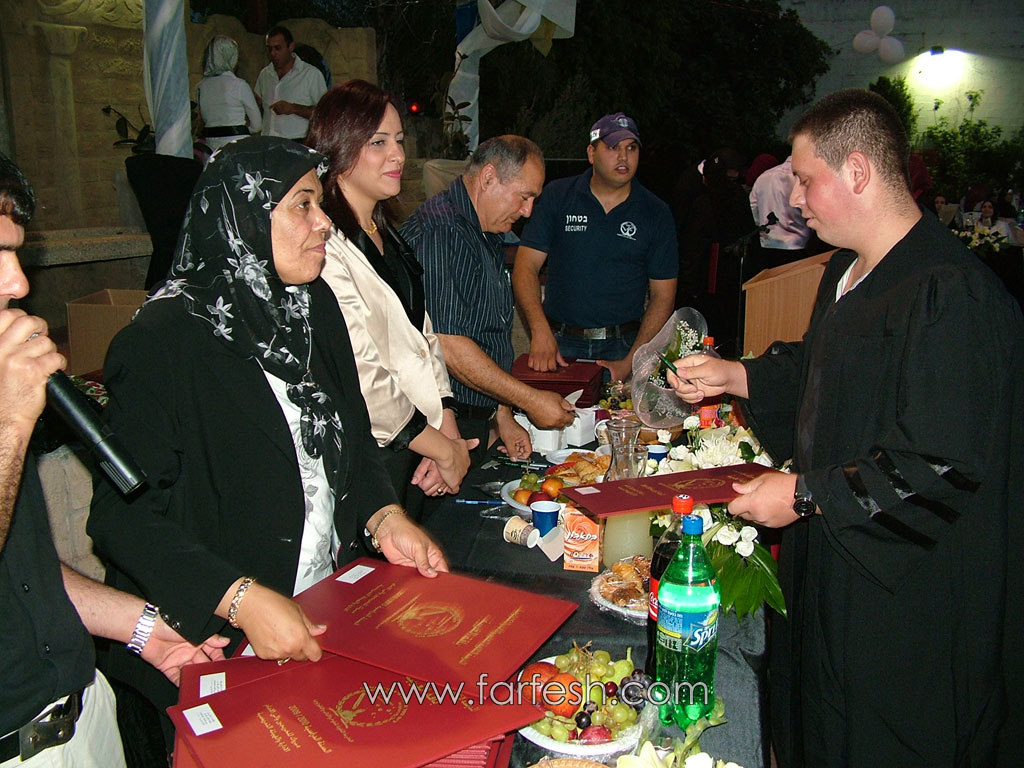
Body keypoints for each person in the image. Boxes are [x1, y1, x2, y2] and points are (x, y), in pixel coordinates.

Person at [668, 89, 1023, 766]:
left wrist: (804, 495)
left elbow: (942, 461)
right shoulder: (845, 269)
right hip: (832, 558)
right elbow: (825, 376)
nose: (796, 199)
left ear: (857, 170)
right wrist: (735, 376)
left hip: (905, 595)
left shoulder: (949, 291)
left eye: (806, 179)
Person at [87, 137, 447, 751]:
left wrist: (384, 516)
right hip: (205, 641)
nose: (324, 223)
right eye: (303, 205)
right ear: (242, 216)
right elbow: (123, 517)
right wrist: (240, 599)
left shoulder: (312, 306)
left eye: (321, 204)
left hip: (317, 605)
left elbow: (353, 436)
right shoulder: (161, 342)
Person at [0, 152, 227, 766]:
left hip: (81, 712)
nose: (18, 283)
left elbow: (23, 573)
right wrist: (12, 423)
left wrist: (145, 629)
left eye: (16, 253)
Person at [305, 80, 477, 513]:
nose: (398, 155)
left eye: (399, 140)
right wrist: (442, 449)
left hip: (420, 444)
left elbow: (423, 335)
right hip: (374, 455)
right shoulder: (324, 247)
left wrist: (447, 423)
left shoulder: (386, 233)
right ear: (338, 146)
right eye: (379, 142)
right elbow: (362, 372)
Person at [401, 136, 574, 456]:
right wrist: (530, 400)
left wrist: (502, 415)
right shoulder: (443, 231)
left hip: (476, 419)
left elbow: (486, 337)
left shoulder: (485, 229)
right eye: (524, 196)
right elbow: (448, 346)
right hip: (440, 430)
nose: (527, 211)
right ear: (489, 177)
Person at [512, 113, 678, 383]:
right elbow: (525, 266)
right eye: (613, 147)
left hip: (624, 345)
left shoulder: (656, 212)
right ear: (591, 153)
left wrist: (632, 361)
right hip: (559, 344)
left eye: (631, 148)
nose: (623, 157)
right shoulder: (557, 196)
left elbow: (663, 295)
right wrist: (540, 331)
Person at [253, 25, 327, 140]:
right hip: (268, 142)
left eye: (278, 48)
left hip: (296, 143)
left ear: (291, 47)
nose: (273, 53)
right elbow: (257, 105)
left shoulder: (311, 74)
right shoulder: (265, 74)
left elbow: (324, 113)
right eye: (269, 49)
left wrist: (293, 108)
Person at [195, 35, 261, 155]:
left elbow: (203, 119)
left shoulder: (201, 87)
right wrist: (242, 128)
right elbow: (257, 125)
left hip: (211, 150)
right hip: (239, 149)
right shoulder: (240, 85)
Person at [748, 155, 813, 269]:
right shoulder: (803, 178)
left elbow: (753, 208)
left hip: (767, 245)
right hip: (798, 246)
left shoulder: (763, 177)